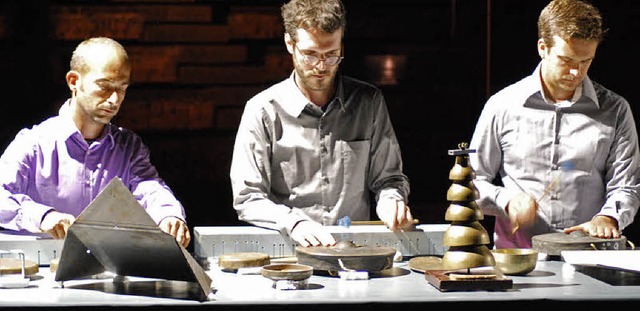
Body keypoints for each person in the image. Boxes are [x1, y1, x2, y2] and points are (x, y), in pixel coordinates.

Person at [229, 0, 413, 247]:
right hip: (290, 254)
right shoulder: (262, 110)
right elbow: (248, 198)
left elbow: (389, 179)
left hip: (355, 253)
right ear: (290, 44)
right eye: (310, 55)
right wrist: (294, 222)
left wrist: (391, 200)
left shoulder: (368, 102)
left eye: (331, 55)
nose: (321, 66)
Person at [469, 0, 640, 249]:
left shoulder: (615, 110)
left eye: (585, 61)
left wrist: (608, 217)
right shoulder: (502, 105)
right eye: (566, 60)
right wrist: (506, 200)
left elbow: (626, 186)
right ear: (543, 48)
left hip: (590, 253)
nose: (575, 72)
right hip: (520, 258)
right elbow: (471, 182)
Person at [0, 37, 191, 248]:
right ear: (74, 81)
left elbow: (150, 188)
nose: (114, 100)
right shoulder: (34, 143)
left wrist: (168, 216)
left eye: (122, 89)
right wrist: (42, 216)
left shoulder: (129, 147)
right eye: (104, 87)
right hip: (44, 270)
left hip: (108, 272)